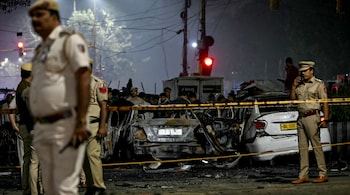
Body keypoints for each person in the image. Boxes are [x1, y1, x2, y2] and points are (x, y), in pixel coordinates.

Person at [28, 0, 91, 194]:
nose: (35, 20)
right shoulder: (41, 49)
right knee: (50, 187)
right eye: (33, 16)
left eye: (40, 15)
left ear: (54, 17)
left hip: (66, 122)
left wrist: (80, 121)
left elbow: (83, 75)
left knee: (64, 188)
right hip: (44, 125)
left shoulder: (69, 40)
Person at [290, 61, 329, 184]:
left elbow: (325, 102)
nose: (303, 73)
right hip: (301, 117)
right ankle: (303, 175)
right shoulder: (300, 85)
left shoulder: (318, 84)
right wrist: (293, 87)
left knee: (316, 146)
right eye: (301, 71)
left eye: (305, 71)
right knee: (302, 148)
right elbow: (293, 100)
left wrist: (325, 119)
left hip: (312, 117)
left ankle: (323, 173)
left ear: (312, 70)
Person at [83, 60, 108, 194]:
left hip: (93, 124)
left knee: (93, 155)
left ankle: (99, 186)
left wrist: (102, 126)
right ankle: (90, 185)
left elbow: (104, 107)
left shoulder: (98, 83)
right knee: (83, 158)